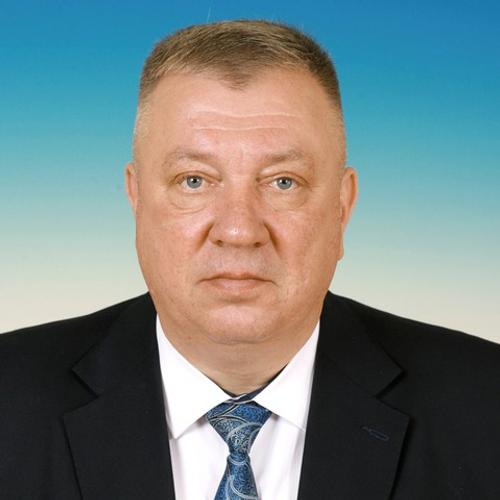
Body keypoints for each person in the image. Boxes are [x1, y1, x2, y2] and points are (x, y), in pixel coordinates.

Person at [1, 19, 499, 500]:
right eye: (194, 181)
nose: (238, 231)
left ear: (342, 207)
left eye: (283, 182)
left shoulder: (485, 406)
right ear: (136, 198)